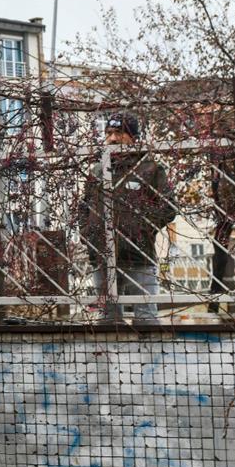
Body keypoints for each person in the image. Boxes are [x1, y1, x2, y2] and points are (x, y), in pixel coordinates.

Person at [76, 111, 176, 322]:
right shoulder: (97, 171)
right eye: (109, 133)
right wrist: (87, 233)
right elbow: (83, 207)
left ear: (133, 137)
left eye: (119, 133)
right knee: (108, 321)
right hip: (102, 255)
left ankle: (151, 355)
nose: (112, 138)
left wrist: (140, 229)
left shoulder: (150, 169)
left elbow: (167, 207)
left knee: (146, 318)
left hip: (138, 255)